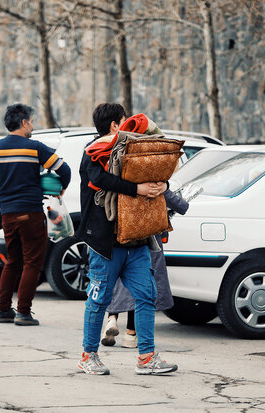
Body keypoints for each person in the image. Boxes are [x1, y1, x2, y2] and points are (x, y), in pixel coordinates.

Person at [76, 102, 178, 375]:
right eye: (124, 121)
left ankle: (146, 358)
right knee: (99, 299)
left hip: (137, 240)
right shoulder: (93, 153)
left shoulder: (134, 153)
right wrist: (138, 188)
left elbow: (158, 174)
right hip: (106, 243)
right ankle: (88, 355)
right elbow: (99, 179)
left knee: (147, 296)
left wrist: (161, 185)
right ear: (114, 126)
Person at [0, 103, 71, 326]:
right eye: (32, 121)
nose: (33, 126)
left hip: (8, 215)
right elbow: (63, 169)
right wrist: (61, 188)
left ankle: (2, 310)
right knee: (32, 263)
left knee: (12, 261)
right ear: (24, 122)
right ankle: (23, 312)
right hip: (31, 213)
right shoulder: (35, 147)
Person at [102, 189, 189, 348]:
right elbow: (174, 200)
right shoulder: (149, 172)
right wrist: (181, 202)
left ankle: (111, 318)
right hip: (146, 233)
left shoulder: (119, 169)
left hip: (120, 227)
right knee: (141, 286)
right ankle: (130, 334)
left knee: (117, 278)